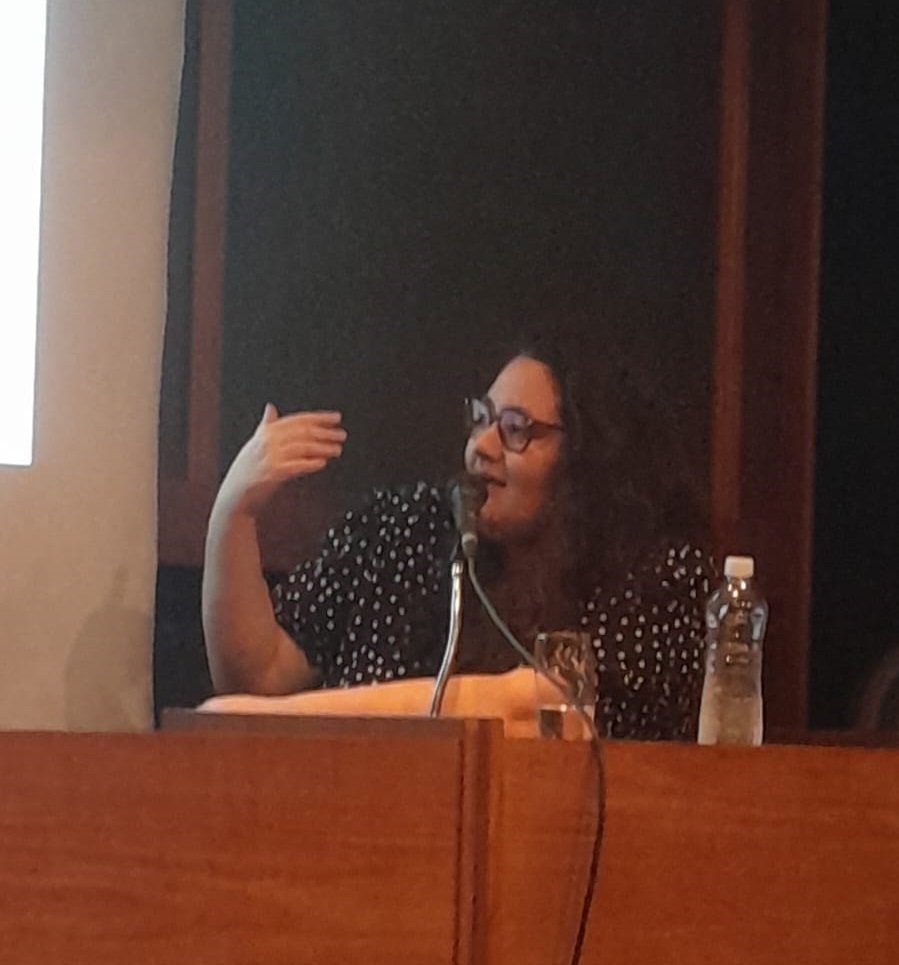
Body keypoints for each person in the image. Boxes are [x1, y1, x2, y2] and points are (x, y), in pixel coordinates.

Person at [201, 337, 714, 739]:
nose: (481, 446)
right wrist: (233, 513)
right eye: (482, 418)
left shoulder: (656, 577)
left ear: (588, 455)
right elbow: (260, 677)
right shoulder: (404, 528)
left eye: (516, 429)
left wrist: (274, 719)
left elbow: (535, 709)